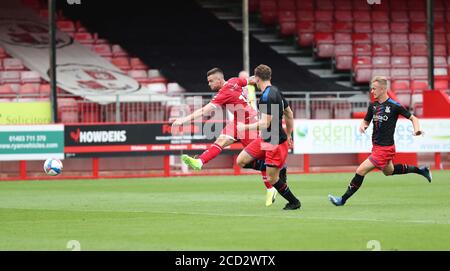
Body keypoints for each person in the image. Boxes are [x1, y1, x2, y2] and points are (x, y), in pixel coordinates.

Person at [171, 67, 283, 206]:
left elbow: (204, 110)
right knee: (221, 140)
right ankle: (199, 162)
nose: (209, 84)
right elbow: (251, 80)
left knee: (260, 157)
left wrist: (183, 120)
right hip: (237, 121)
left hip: (249, 122)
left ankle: (271, 188)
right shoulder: (234, 81)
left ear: (219, 80)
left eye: (211, 81)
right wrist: (261, 80)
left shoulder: (224, 91)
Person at [328, 76, 432, 206]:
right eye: (371, 89)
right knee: (389, 171)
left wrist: (417, 130)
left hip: (385, 148)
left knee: (360, 170)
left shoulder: (394, 106)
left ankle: (342, 200)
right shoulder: (373, 106)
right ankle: (421, 171)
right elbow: (366, 120)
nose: (372, 91)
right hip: (377, 147)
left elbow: (413, 118)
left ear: (383, 89)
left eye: (374, 88)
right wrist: (363, 125)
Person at [236, 64, 301, 210]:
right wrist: (290, 134)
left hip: (274, 141)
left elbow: (265, 123)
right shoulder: (276, 91)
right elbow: (289, 114)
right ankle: (276, 167)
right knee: (241, 161)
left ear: (257, 78)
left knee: (272, 179)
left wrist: (244, 127)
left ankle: (294, 202)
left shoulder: (266, 96)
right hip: (266, 138)